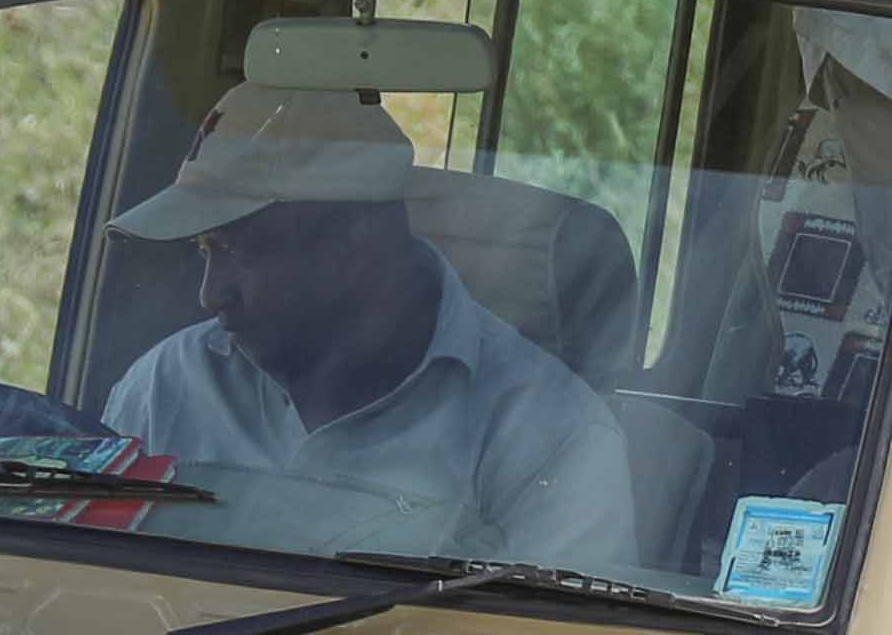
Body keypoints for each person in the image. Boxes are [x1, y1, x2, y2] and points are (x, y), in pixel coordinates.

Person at [98, 80, 639, 572]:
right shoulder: (166, 385)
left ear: (360, 243)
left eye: (238, 251)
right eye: (204, 250)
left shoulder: (553, 439)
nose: (210, 294)